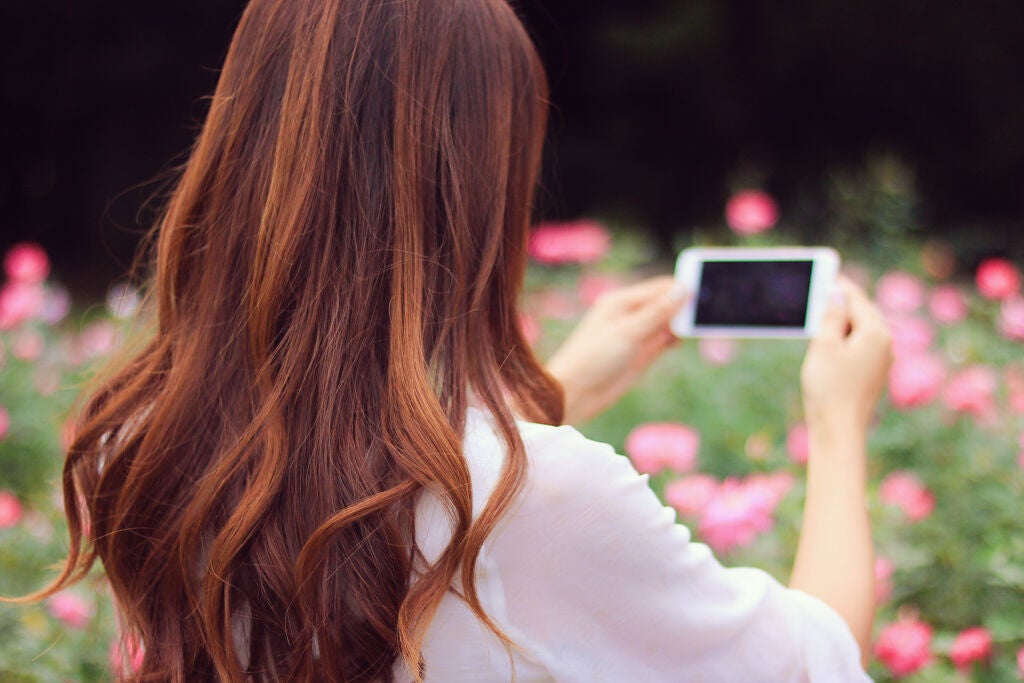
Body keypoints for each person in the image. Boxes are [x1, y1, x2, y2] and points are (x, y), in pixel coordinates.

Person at [14, 1, 892, 680]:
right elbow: (818, 659)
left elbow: (378, 484)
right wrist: (841, 417)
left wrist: (557, 389)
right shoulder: (540, 500)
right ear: (473, 193)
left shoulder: (142, 443)